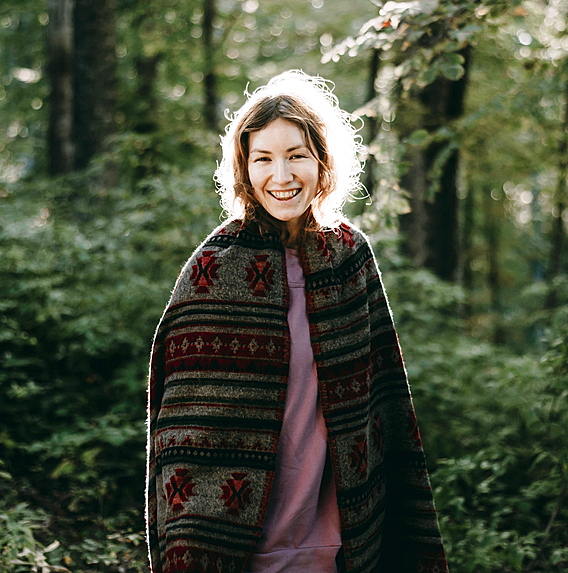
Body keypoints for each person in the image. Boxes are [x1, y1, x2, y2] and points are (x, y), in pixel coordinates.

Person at [146, 70, 448, 573]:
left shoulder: (349, 258)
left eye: (296, 155)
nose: (281, 176)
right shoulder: (213, 269)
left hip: (337, 543)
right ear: (244, 168)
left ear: (322, 162)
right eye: (263, 158)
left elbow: (385, 405)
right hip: (238, 547)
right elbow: (181, 425)